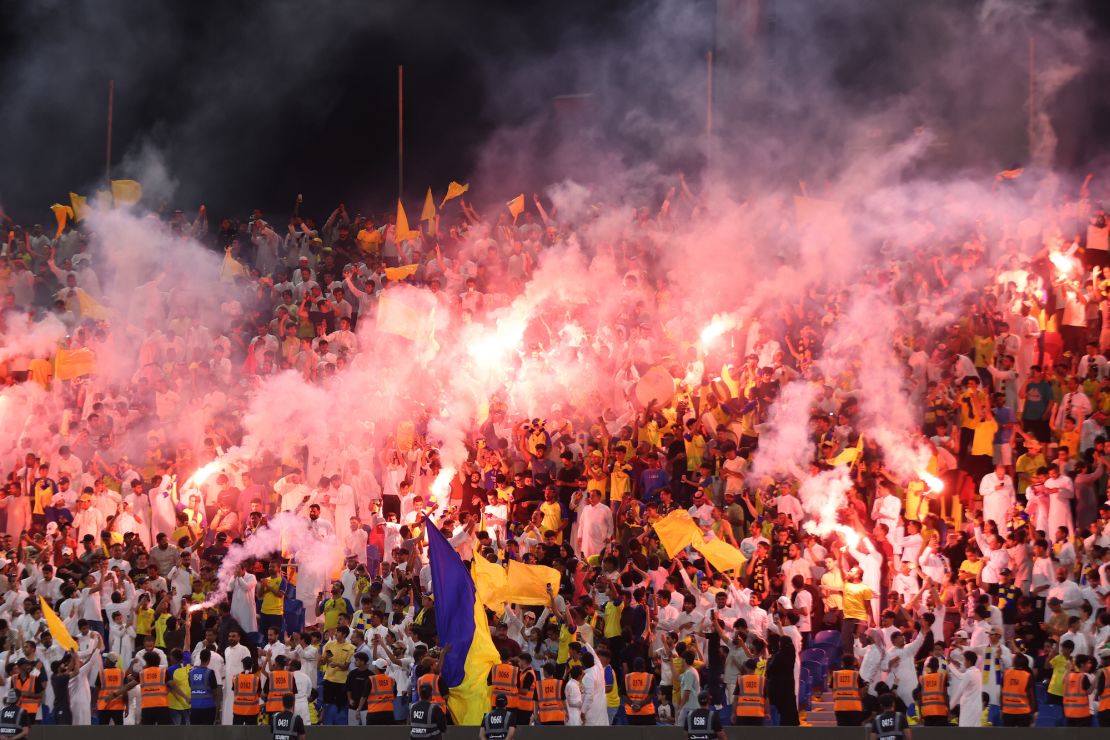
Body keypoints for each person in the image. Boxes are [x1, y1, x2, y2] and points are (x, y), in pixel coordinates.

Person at [1000, 653, 1036, 727]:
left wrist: (1001, 709)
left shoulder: (1006, 674)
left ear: (1014, 662)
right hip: (1023, 712)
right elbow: (1031, 696)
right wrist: (1033, 712)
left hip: (1008, 711)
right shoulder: (1027, 676)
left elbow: (1002, 693)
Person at [189, 649, 221, 725]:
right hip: (208, 706)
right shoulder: (210, 672)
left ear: (200, 658)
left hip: (194, 707)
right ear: (209, 659)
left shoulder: (191, 672)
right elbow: (215, 691)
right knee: (207, 733)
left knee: (195, 733)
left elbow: (191, 685)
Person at [832, 655, 865, 727]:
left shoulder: (835, 674)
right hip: (855, 707)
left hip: (839, 707)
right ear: (853, 662)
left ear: (842, 663)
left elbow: (833, 690)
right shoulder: (856, 674)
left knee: (843, 733)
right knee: (855, 732)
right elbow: (861, 691)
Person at [732, 659, 767, 726]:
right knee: (756, 735)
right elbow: (766, 698)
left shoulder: (741, 679)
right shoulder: (762, 680)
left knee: (743, 735)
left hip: (742, 713)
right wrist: (767, 712)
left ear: (746, 667)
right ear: (756, 667)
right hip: (758, 713)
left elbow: (736, 698)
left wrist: (733, 713)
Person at [623, 657, 657, 725]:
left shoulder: (627, 677)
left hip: (631, 712)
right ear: (644, 665)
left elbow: (622, 694)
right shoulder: (650, 677)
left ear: (634, 666)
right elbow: (652, 694)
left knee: (633, 734)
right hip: (647, 712)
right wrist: (641, 705)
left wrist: (632, 705)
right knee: (649, 734)